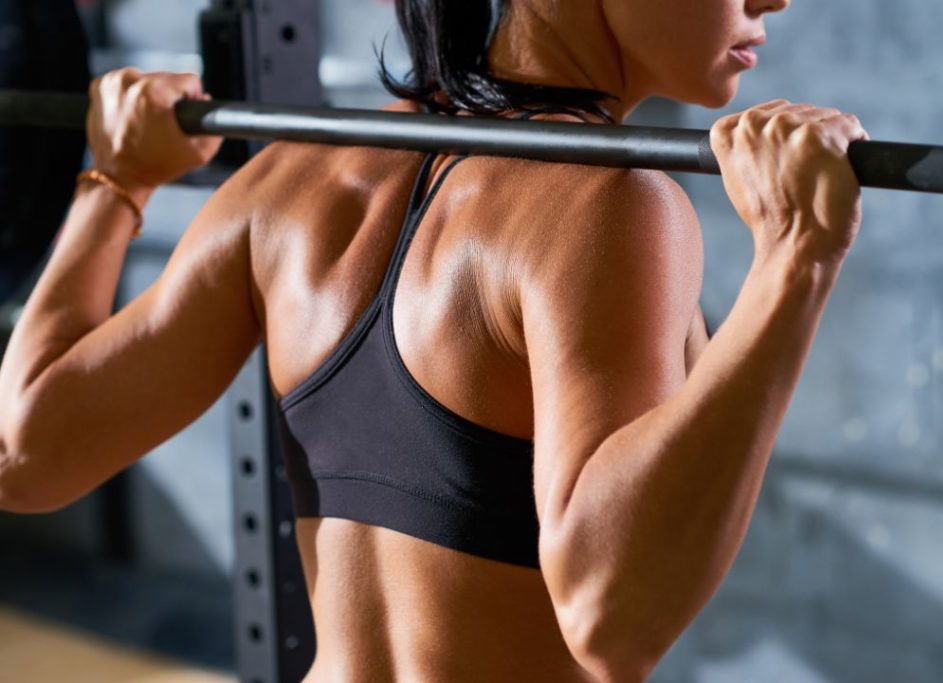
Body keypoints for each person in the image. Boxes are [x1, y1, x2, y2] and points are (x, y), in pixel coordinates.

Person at [0, 0, 868, 680]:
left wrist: (114, 180)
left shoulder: (286, 184)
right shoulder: (610, 204)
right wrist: (797, 260)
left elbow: (27, 448)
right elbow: (613, 616)